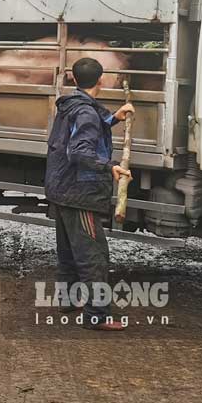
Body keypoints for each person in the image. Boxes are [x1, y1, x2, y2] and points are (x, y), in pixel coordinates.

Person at [44, 57, 134, 330]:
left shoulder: (72, 104)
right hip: (80, 191)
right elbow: (79, 151)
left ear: (73, 79)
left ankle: (68, 299)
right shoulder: (86, 112)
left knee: (68, 250)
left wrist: (112, 119)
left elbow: (82, 130)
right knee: (93, 255)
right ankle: (98, 315)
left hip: (61, 188)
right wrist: (111, 168)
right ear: (101, 80)